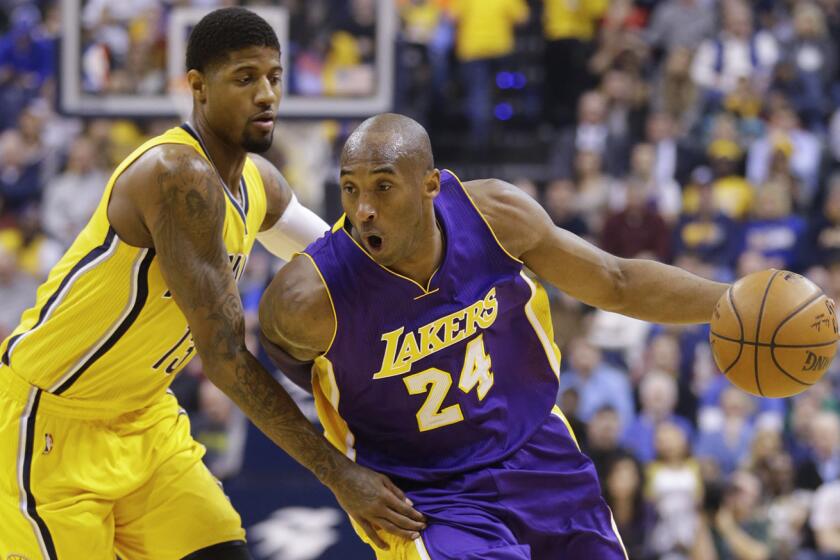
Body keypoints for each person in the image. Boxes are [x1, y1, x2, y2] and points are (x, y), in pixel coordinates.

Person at [0, 9, 424, 560]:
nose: (267, 94)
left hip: (146, 420)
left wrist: (436, 289)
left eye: (274, 76)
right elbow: (225, 361)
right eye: (245, 78)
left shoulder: (258, 182)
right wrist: (339, 473)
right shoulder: (176, 176)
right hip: (52, 422)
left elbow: (344, 264)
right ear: (197, 88)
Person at [258, 113, 729, 558]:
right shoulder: (310, 296)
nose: (364, 210)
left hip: (537, 451)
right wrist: (336, 470)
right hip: (424, 494)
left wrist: (730, 302)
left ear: (430, 185)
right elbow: (246, 368)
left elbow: (617, 282)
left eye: (383, 187)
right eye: (349, 189)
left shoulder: (494, 217)